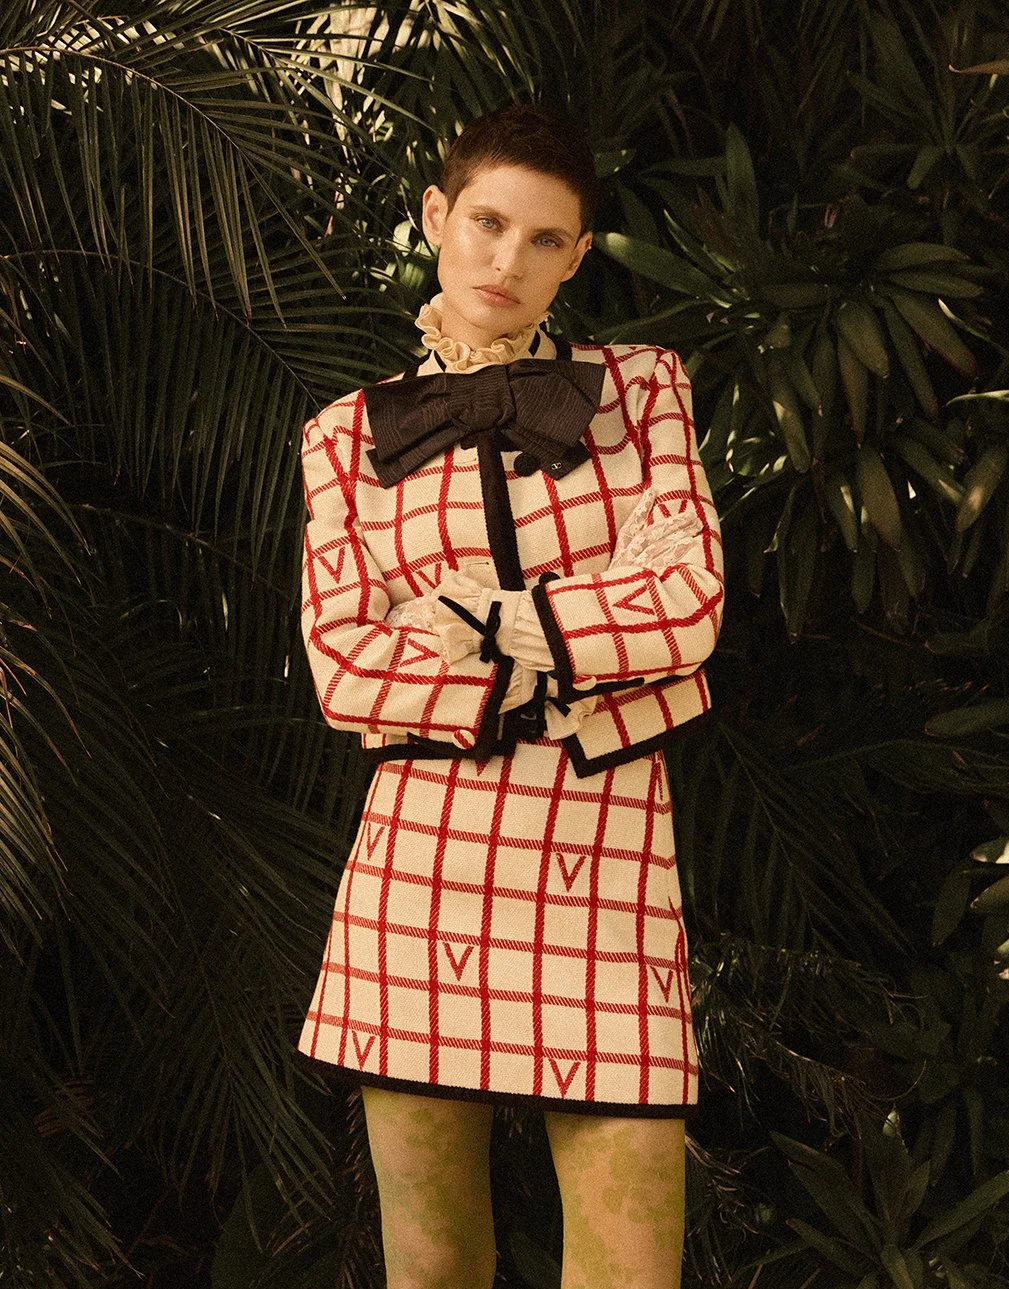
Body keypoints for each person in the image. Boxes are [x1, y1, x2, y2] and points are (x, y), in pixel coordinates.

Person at [297, 103, 724, 1289]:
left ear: (578, 257)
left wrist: (480, 617)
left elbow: (687, 607)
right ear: (437, 217)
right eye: (487, 223)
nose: (506, 260)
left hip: (610, 861)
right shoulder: (342, 436)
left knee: (630, 1267)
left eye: (545, 240)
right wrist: (592, 627)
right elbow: (343, 665)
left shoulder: (644, 394)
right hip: (419, 867)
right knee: (431, 1267)